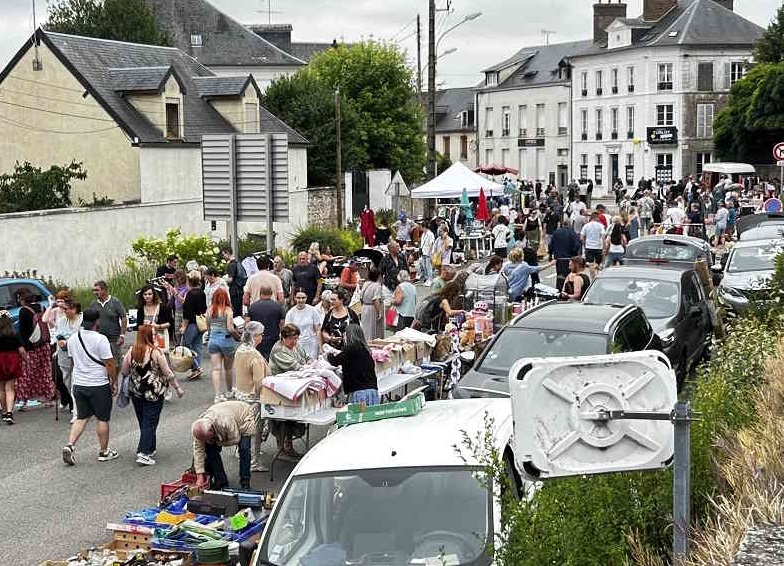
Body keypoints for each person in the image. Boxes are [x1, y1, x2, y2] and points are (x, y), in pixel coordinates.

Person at [62, 308, 119, 466]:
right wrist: (114, 381)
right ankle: (104, 451)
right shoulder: (100, 339)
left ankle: (70, 445)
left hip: (79, 383)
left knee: (81, 417)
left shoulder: (73, 338)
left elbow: (72, 362)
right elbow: (109, 363)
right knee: (102, 418)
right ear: (97, 322)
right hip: (98, 384)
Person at [121, 325, 183, 466]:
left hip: (136, 391)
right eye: (153, 334)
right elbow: (168, 373)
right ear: (149, 337)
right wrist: (178, 388)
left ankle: (150, 447)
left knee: (144, 420)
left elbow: (124, 371)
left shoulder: (132, 351)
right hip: (153, 392)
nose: (155, 336)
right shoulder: (156, 352)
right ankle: (143, 452)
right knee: (150, 421)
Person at [192, 400, 257, 490]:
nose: (207, 441)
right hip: (226, 412)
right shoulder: (199, 429)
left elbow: (235, 439)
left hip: (243, 415)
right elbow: (198, 451)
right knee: (210, 450)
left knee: (244, 449)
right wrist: (199, 476)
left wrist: (217, 442)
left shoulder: (225, 422)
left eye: (208, 438)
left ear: (211, 429)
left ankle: (245, 482)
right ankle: (221, 481)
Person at [232, 321, 271, 473]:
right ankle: (254, 461)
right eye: (261, 334)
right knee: (255, 430)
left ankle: (239, 451)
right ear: (255, 336)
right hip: (253, 398)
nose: (262, 337)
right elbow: (258, 381)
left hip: (240, 395)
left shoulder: (240, 350)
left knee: (242, 427)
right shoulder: (254, 355)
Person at [269, 324, 311, 459]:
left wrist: (310, 364)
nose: (295, 342)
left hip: (294, 388)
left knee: (293, 420)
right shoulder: (278, 350)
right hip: (280, 391)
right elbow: (296, 366)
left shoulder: (296, 346)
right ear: (283, 337)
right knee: (282, 420)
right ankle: (281, 449)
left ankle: (289, 446)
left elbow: (307, 358)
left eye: (296, 338)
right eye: (292, 339)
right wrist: (307, 366)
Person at [15, 287, 53, 410]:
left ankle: (24, 402)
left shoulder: (23, 311)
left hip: (31, 347)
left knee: (26, 373)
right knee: (45, 371)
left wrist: (23, 349)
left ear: (21, 298)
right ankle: (47, 399)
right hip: (45, 344)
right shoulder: (42, 307)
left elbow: (23, 332)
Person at [326, 324, 379, 405]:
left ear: (349, 335)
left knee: (359, 417)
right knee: (370, 416)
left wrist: (328, 354)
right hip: (372, 391)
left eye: (345, 335)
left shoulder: (351, 348)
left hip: (359, 393)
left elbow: (335, 361)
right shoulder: (366, 349)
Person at [206, 288, 237, 403]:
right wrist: (237, 334)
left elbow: (208, 328)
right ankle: (229, 390)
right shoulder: (228, 310)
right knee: (228, 368)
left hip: (213, 340)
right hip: (226, 340)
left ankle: (217, 395)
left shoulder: (209, 311)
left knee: (216, 369)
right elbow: (230, 328)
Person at [53, 299, 82, 422]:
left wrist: (68, 342)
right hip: (64, 357)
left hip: (78, 358)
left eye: (66, 309)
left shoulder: (82, 320)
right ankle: (78, 407)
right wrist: (58, 345)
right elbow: (58, 335)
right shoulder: (61, 321)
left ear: (74, 309)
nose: (64, 311)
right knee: (68, 383)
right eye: (63, 309)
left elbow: (82, 337)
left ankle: (77, 412)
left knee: (76, 384)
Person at [89, 280, 128, 368]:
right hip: (99, 340)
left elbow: (124, 318)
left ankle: (115, 381)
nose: (94, 292)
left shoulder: (115, 302)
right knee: (102, 364)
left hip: (114, 339)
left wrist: (122, 335)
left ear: (104, 290)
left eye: (97, 290)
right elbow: (91, 321)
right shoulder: (93, 304)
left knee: (116, 364)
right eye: (93, 290)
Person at [0, 310, 28, 424]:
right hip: (12, 360)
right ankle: (10, 413)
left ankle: (4, 412)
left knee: (1, 389)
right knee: (10, 389)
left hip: (0, 360)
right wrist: (27, 361)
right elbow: (21, 350)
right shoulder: (14, 333)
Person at [180, 273, 207, 381]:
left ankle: (196, 367)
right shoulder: (201, 292)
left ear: (189, 281)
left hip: (191, 323)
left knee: (187, 345)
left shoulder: (190, 294)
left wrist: (183, 326)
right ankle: (196, 368)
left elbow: (187, 312)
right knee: (197, 346)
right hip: (201, 322)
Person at [247, 284, 285, 359]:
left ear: (260, 293)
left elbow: (248, 323)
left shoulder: (252, 306)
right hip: (273, 340)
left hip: (257, 340)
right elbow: (282, 324)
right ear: (271, 293)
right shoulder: (278, 306)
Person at [284, 288, 322, 360]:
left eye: (303, 298)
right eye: (298, 298)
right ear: (294, 298)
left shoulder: (313, 310)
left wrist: (320, 348)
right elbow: (287, 332)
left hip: (312, 344)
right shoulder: (290, 313)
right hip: (297, 345)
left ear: (306, 298)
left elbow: (318, 330)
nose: (301, 300)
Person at [136, 284, 174, 352]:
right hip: (146, 338)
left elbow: (170, 323)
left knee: (160, 356)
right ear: (142, 296)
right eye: (145, 294)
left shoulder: (162, 307)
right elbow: (138, 326)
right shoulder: (141, 309)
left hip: (160, 337)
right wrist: (143, 325)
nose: (147, 296)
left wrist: (158, 326)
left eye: (150, 294)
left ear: (154, 295)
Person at [549, 220, 582, 292]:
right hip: (570, 258)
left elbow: (550, 245)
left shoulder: (556, 232)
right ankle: (569, 290)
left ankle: (559, 290)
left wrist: (550, 255)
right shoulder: (573, 233)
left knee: (560, 276)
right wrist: (574, 254)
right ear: (569, 225)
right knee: (570, 275)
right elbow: (577, 245)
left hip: (559, 258)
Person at [358, 268, 384, 341]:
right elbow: (376, 300)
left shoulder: (366, 283)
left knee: (366, 328)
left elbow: (361, 297)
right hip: (373, 309)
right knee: (373, 329)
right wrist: (379, 312)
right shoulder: (377, 285)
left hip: (365, 307)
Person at [220, 244, 246, 316]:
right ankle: (239, 326)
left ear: (227, 253)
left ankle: (236, 326)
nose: (223, 257)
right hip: (239, 291)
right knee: (239, 312)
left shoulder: (231, 265)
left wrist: (222, 280)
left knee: (235, 312)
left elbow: (230, 279)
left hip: (234, 292)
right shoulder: (237, 262)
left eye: (223, 254)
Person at [418, 220, 435, 286]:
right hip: (423, 252)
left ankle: (430, 280)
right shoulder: (423, 234)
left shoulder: (430, 234)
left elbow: (431, 244)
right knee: (424, 267)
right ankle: (427, 279)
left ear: (424, 227)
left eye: (421, 227)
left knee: (429, 267)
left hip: (428, 252)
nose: (420, 228)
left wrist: (430, 254)